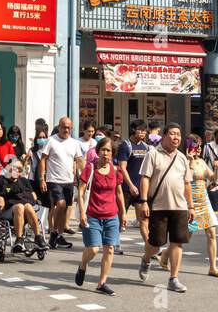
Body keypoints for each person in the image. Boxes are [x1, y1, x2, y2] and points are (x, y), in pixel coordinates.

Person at [138, 124, 192, 293]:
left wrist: (191, 206)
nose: (176, 137)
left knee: (177, 243)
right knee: (155, 244)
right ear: (164, 136)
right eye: (172, 134)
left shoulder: (182, 157)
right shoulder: (153, 154)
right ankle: (147, 258)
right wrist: (144, 201)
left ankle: (173, 278)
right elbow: (145, 178)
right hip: (158, 207)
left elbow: (187, 184)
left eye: (178, 134)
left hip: (180, 207)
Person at [75, 137, 126, 296]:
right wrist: (82, 212)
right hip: (93, 215)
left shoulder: (116, 170)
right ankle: (83, 264)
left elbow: (119, 193)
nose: (105, 153)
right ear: (98, 151)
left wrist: (123, 212)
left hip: (111, 215)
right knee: (94, 248)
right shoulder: (90, 168)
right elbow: (81, 192)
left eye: (109, 150)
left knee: (109, 248)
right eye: (103, 149)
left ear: (113, 153)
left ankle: (102, 283)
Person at [37, 116, 86, 250]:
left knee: (65, 209)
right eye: (64, 127)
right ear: (59, 127)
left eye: (69, 127)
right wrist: (42, 178)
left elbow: (80, 160)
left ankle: (57, 235)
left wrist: (86, 175)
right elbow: (42, 160)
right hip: (54, 180)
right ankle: (53, 231)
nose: (66, 130)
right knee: (60, 204)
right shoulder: (51, 141)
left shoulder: (74, 143)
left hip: (68, 181)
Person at [185, 136, 218, 278]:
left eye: (200, 146)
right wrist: (189, 161)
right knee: (185, 237)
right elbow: (187, 180)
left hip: (204, 201)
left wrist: (216, 168)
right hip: (190, 202)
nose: (199, 148)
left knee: (212, 232)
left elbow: (213, 178)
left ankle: (213, 267)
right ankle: (165, 255)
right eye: (196, 146)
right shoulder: (182, 161)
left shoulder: (201, 161)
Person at [0, 154, 46, 253]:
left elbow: (34, 196)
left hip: (26, 211)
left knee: (27, 205)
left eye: (20, 169)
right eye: (16, 168)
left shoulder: (24, 181)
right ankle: (19, 240)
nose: (18, 170)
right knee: (20, 206)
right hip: (7, 211)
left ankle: (38, 238)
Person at [116, 120, 151, 247]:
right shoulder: (126, 145)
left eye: (144, 130)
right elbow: (122, 168)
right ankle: (114, 243)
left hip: (140, 189)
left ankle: (149, 247)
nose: (142, 132)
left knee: (144, 220)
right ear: (133, 130)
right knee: (120, 218)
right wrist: (130, 185)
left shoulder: (146, 147)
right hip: (125, 189)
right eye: (140, 130)